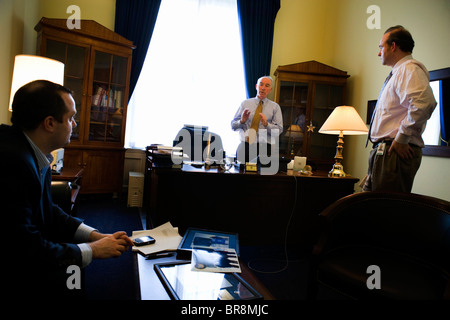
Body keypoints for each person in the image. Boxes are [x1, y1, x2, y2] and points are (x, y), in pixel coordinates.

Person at [0, 80, 134, 299]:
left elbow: (48, 210)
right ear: (50, 123)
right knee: (74, 273)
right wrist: (94, 250)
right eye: (71, 117)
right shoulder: (12, 163)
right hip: (19, 266)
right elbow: (25, 248)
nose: (75, 123)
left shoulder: (30, 151)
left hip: (25, 251)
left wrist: (94, 235)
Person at [363, 26, 436, 192]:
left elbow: (424, 104)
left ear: (393, 46)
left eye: (381, 47)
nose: (379, 53)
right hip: (385, 151)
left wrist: (402, 138)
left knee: (387, 212)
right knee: (372, 209)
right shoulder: (399, 72)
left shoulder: (409, 69)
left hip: (395, 151)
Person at [231, 76, 283, 165]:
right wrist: (242, 121)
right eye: (261, 84)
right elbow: (233, 126)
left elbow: (279, 131)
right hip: (245, 147)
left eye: (267, 86)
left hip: (264, 149)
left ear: (270, 89)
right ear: (256, 86)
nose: (263, 88)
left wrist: (267, 124)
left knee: (261, 178)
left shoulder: (275, 107)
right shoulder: (245, 103)